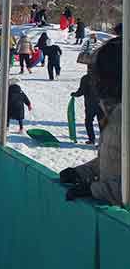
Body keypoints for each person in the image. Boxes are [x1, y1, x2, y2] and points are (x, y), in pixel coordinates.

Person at [60, 36, 123, 204]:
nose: (97, 83)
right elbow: (116, 158)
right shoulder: (117, 113)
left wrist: (95, 190)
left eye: (101, 76)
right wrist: (82, 173)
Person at [72, 74, 104, 145]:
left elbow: (81, 91)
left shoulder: (86, 78)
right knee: (102, 123)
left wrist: (75, 94)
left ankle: (92, 139)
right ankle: (103, 141)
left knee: (88, 122)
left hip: (90, 105)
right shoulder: (103, 76)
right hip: (101, 104)